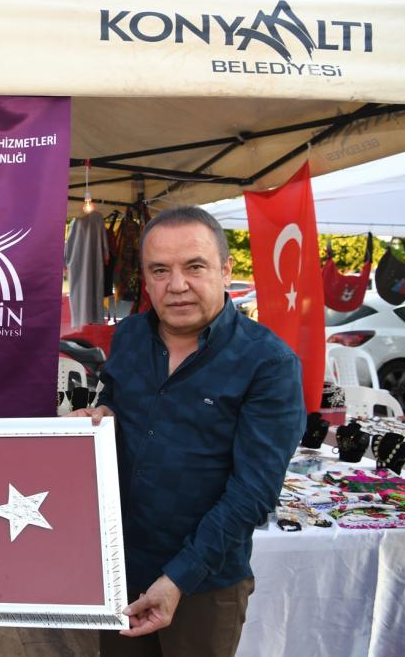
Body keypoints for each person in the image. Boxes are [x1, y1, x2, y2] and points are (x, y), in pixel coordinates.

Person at [75, 205, 304, 657]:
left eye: (194, 267)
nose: (176, 285)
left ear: (226, 270)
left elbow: (253, 494)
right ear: (145, 278)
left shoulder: (269, 363)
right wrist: (100, 417)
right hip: (120, 567)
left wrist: (179, 578)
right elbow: (119, 408)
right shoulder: (130, 337)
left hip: (204, 585)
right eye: (160, 270)